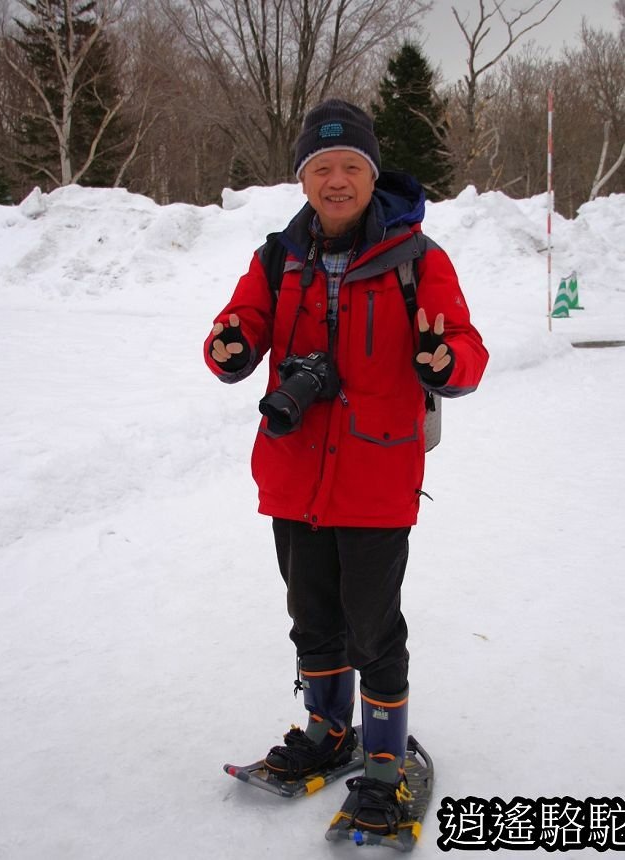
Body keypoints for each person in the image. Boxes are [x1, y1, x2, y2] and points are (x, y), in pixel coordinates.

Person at [204, 99, 488, 835]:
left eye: (350, 167)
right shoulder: (277, 257)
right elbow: (237, 328)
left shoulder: (417, 259)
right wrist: (229, 347)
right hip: (293, 477)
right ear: (303, 179)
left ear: (370, 174)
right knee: (312, 620)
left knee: (373, 630)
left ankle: (387, 765)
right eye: (321, 168)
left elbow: (466, 346)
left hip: (374, 481)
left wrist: (445, 359)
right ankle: (330, 732)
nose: (336, 181)